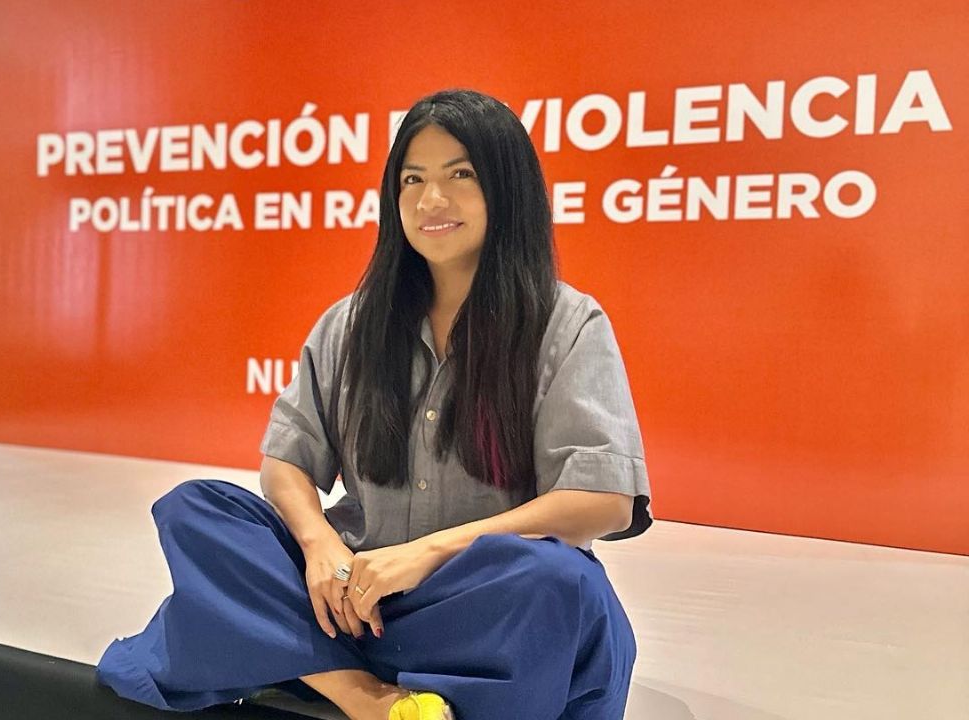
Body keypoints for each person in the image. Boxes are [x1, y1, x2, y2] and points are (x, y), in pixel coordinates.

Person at [97, 89, 652, 720]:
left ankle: (296, 658)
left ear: (508, 190)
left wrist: (428, 554)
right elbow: (287, 462)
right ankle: (364, 694)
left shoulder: (567, 323)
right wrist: (320, 547)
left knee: (560, 583)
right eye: (412, 180)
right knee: (198, 509)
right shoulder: (350, 324)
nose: (431, 200)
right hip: (350, 602)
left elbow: (604, 500)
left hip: (470, 605)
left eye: (460, 175)